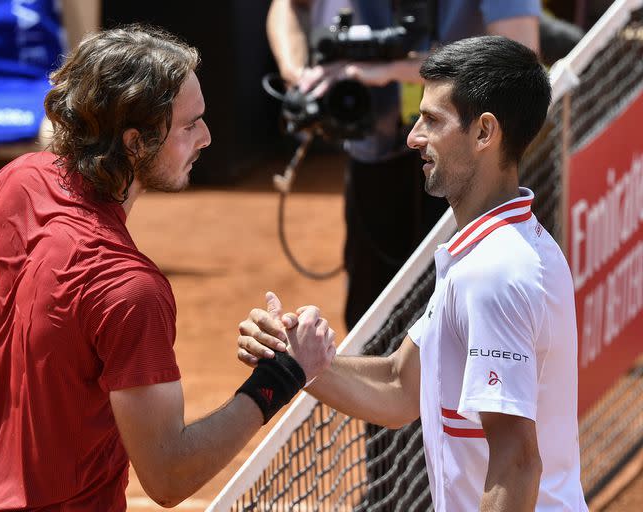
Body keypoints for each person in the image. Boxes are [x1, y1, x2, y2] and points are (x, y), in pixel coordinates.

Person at [0, 25, 336, 512]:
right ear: (135, 142)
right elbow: (168, 475)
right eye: (188, 125)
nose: (206, 137)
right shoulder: (129, 289)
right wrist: (282, 375)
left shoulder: (13, 182)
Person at [238, 36, 589, 511]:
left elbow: (516, 461)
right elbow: (401, 386)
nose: (413, 137)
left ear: (485, 133)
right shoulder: (492, 252)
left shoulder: (496, 272)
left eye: (433, 120)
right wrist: (296, 361)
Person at [267, 0, 541, 330]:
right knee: (369, 315)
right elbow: (287, 6)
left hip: (465, 170)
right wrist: (298, 75)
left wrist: (390, 70)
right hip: (371, 154)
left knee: (459, 316)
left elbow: (520, 60)